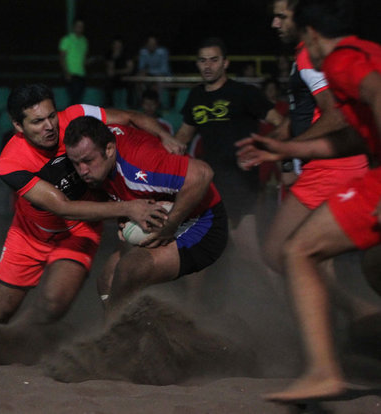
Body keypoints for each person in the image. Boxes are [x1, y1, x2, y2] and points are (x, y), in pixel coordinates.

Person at [241, 0, 381, 401]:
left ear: (312, 34)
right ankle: (358, 322)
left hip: (353, 175)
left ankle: (324, 369)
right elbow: (354, 131)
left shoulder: (332, 59)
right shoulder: (365, 51)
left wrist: (291, 146)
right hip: (344, 165)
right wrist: (284, 149)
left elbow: (360, 102)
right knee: (366, 265)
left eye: (287, 19)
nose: (278, 24)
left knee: (296, 251)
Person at [0, 83, 184, 326]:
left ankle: (18, 340)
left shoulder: (76, 116)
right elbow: (63, 206)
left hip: (80, 229)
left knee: (54, 305)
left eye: (52, 116)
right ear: (17, 125)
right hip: (30, 234)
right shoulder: (10, 163)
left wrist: (165, 136)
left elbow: (130, 118)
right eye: (37, 122)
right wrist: (129, 208)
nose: (49, 126)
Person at [64, 116, 227, 313]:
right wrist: (163, 134)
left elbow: (202, 174)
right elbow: (131, 117)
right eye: (75, 163)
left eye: (88, 161)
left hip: (204, 223)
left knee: (129, 270)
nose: (82, 170)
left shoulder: (138, 166)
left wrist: (170, 225)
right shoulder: (105, 135)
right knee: (106, 281)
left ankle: (121, 336)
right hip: (166, 210)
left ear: (109, 149)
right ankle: (126, 330)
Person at [172, 37, 284, 241]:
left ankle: (268, 273)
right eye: (203, 60)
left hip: (240, 178)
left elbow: (281, 122)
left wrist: (262, 149)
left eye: (214, 60)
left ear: (225, 63)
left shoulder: (244, 93)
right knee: (221, 244)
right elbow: (183, 135)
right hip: (211, 177)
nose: (208, 66)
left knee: (233, 243)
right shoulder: (196, 95)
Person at [59, 18, 89, 105]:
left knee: (78, 99)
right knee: (74, 99)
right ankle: (70, 118)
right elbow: (61, 57)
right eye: (78, 26)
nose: (80, 28)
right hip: (71, 74)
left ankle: (74, 117)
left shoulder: (84, 41)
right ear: (74, 27)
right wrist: (66, 73)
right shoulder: (66, 40)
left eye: (81, 26)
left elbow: (83, 59)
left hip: (82, 74)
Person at [104, 36, 134, 107]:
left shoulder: (126, 54)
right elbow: (110, 71)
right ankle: (110, 106)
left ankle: (129, 106)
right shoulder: (109, 55)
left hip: (125, 78)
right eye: (115, 44)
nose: (117, 46)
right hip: (114, 79)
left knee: (130, 84)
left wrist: (117, 72)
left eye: (119, 45)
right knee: (108, 84)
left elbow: (130, 69)